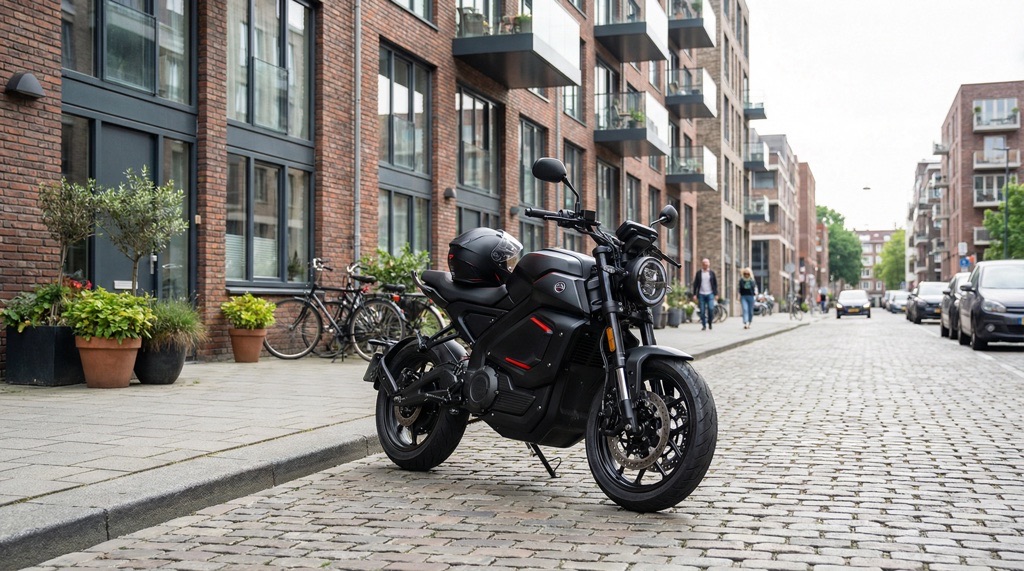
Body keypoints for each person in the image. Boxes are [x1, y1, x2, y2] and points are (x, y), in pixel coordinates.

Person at [691, 258, 718, 331]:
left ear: (709, 264)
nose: (705, 265)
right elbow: (695, 284)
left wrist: (716, 294)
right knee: (702, 311)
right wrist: (694, 294)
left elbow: (715, 284)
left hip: (710, 294)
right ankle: (704, 325)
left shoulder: (712, 273)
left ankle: (710, 322)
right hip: (701, 294)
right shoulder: (699, 273)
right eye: (704, 264)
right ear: (702, 264)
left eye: (707, 263)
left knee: (711, 309)